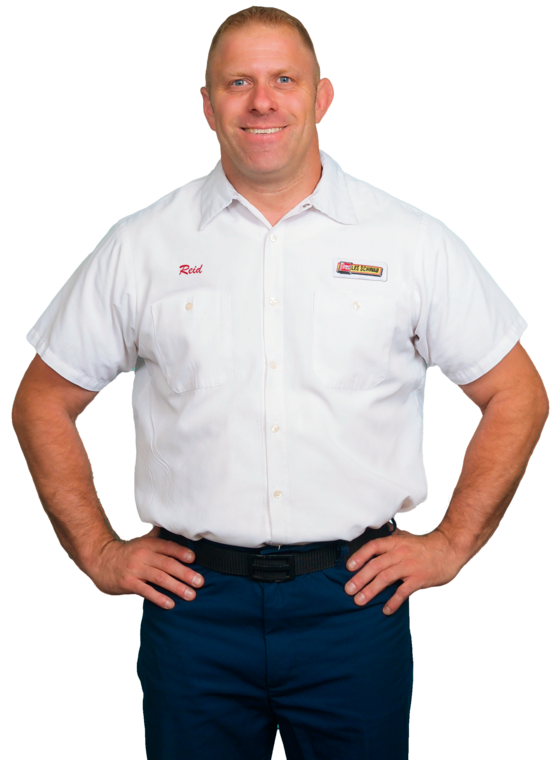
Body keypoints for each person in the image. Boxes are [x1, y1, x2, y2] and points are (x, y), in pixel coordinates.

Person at [11, 5, 549, 760]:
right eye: (238, 83)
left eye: (283, 80)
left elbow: (517, 394)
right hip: (194, 608)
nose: (262, 102)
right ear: (207, 104)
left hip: (353, 602)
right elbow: (42, 399)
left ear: (322, 96)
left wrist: (453, 544)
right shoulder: (141, 244)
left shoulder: (410, 241)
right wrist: (98, 552)